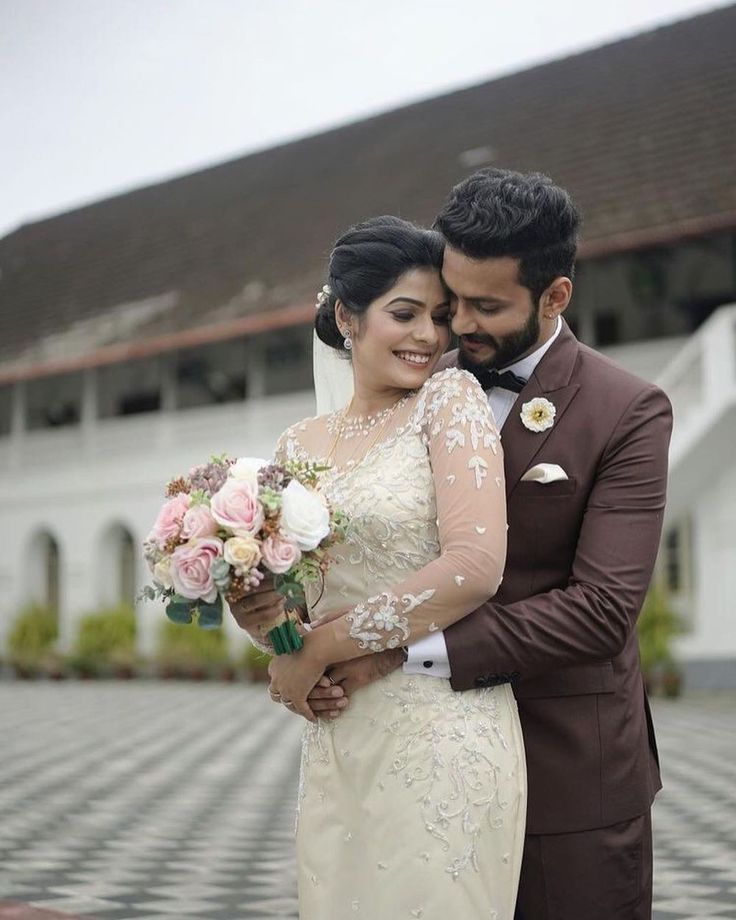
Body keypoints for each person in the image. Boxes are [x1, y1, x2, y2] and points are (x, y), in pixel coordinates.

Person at [235, 169, 672, 920]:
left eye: (484, 306)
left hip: (569, 765)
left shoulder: (626, 410)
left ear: (555, 296)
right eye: (449, 300)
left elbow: (602, 610)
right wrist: (277, 629)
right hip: (394, 754)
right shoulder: (420, 382)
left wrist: (389, 653)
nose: (454, 328)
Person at [240, 215, 526, 918]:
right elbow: (296, 600)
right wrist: (269, 626)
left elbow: (475, 566)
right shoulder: (299, 443)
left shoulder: (449, 401)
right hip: (340, 733)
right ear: (347, 317)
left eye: (440, 317)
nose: (428, 336)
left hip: (442, 731)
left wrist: (321, 650)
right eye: (405, 314)